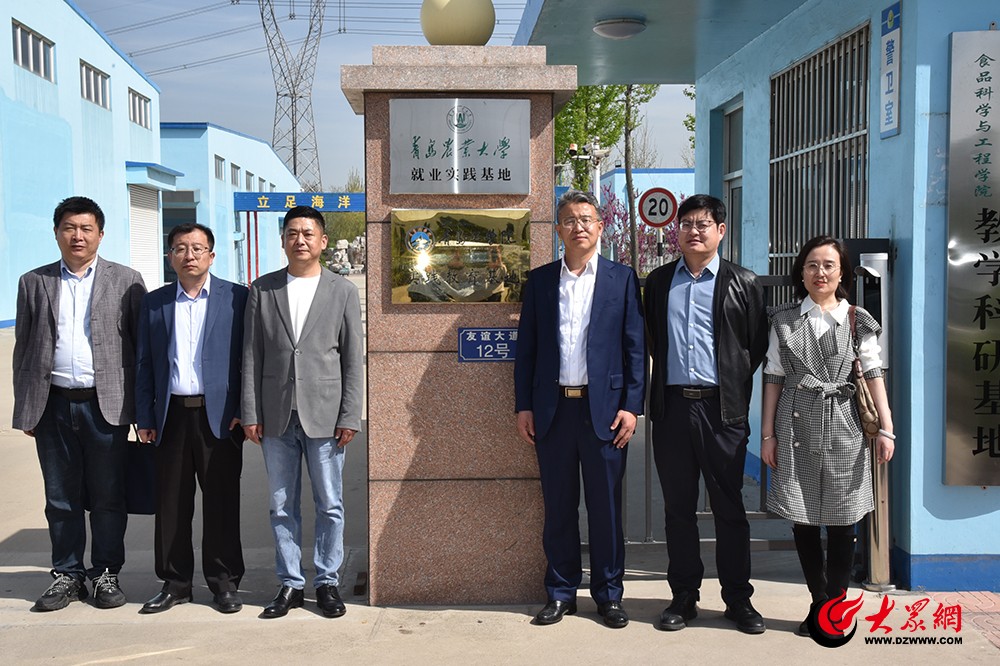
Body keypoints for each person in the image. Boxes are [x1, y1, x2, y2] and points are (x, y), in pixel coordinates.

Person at [514, 190, 645, 629]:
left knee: (606, 508)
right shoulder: (540, 281)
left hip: (604, 411)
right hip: (553, 411)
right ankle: (561, 591)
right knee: (559, 506)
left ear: (601, 226)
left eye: (587, 218)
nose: (579, 227)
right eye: (569, 220)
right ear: (558, 229)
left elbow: (634, 347)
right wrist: (524, 406)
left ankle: (609, 594)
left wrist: (632, 407)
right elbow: (527, 351)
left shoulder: (620, 279)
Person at [13, 196, 146, 611]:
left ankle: (106, 573)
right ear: (56, 233)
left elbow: (140, 349)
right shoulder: (33, 282)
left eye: (86, 228)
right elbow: (24, 348)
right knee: (60, 497)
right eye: (70, 227)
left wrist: (142, 411)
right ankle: (67, 575)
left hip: (105, 405)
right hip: (51, 404)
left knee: (108, 495)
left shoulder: (126, 280)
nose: (78, 235)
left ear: (100, 235)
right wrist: (26, 407)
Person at [643, 194, 768, 634]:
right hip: (673, 408)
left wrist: (727, 385)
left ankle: (738, 599)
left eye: (703, 223)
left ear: (721, 230)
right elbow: (653, 339)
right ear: (676, 231)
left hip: (722, 412)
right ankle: (683, 597)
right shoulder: (658, 282)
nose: (694, 231)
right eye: (687, 223)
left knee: (728, 507)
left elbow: (754, 347)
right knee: (677, 508)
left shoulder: (744, 282)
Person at [759, 235, 894, 635]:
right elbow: (773, 377)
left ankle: (833, 609)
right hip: (795, 423)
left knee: (841, 522)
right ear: (801, 273)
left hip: (844, 426)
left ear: (842, 273)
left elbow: (873, 375)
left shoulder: (857, 319)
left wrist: (886, 428)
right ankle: (818, 603)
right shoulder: (783, 319)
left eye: (829, 265)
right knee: (802, 521)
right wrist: (767, 435)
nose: (821, 273)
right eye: (813, 265)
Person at [242, 206, 364, 619]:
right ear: (283, 239)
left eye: (308, 233)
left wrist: (350, 415)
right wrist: (250, 411)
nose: (300, 240)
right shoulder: (263, 290)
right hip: (276, 415)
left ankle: (326, 582)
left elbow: (352, 359)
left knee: (330, 503)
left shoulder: (342, 290)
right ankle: (290, 583)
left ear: (323, 241)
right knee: (281, 505)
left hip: (326, 416)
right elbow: (251, 356)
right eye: (292, 233)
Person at [134, 222, 248, 615]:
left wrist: (242, 411)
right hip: (170, 418)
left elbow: (247, 361)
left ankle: (224, 582)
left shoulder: (237, 298)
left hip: (220, 420)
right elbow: (144, 363)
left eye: (198, 248)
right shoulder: (155, 303)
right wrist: (144, 415)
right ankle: (176, 582)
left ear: (212, 256)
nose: (190, 255)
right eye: (181, 248)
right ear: (170, 257)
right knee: (171, 506)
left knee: (221, 503)